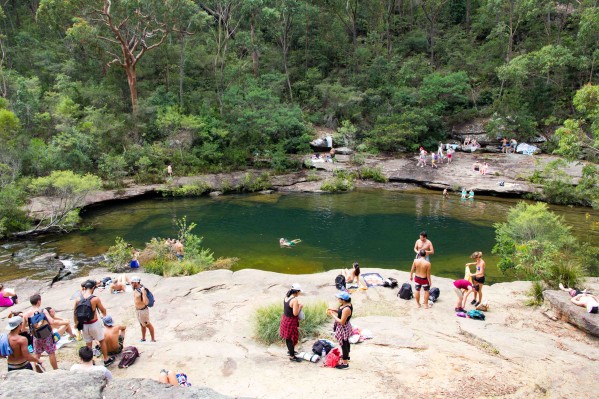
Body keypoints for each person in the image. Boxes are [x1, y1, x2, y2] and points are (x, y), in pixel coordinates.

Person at [74, 280, 115, 367]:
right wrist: (104, 317)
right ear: (93, 288)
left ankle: (90, 361)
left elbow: (75, 312)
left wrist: (76, 323)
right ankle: (106, 359)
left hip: (84, 325)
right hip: (94, 323)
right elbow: (103, 310)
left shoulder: (78, 299)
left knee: (88, 343)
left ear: (84, 288)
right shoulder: (95, 299)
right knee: (101, 341)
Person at [24, 294, 59, 370]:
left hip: (36, 336)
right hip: (47, 336)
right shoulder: (43, 311)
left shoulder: (26, 314)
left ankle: (37, 370)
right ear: (38, 301)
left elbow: (23, 328)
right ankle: (56, 370)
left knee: (37, 354)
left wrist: (32, 329)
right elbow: (52, 322)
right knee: (51, 353)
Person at [327, 291, 353, 369]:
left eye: (339, 298)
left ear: (343, 300)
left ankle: (345, 364)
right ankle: (346, 356)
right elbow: (340, 311)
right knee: (346, 341)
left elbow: (342, 322)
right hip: (345, 326)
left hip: (343, 327)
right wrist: (333, 310)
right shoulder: (346, 305)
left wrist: (332, 315)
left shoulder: (346, 309)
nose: (338, 299)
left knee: (343, 344)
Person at [279, 283, 303, 362]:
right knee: (291, 338)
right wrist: (300, 307)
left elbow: (288, 308)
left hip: (285, 319)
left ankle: (290, 351)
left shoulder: (287, 297)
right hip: (290, 321)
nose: (300, 293)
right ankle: (292, 357)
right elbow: (295, 313)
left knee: (288, 337)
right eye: (299, 292)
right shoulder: (294, 300)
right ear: (296, 292)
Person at [131, 276, 156, 342]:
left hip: (143, 311)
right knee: (142, 325)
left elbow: (146, 302)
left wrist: (143, 293)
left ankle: (153, 339)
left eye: (132, 282)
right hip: (138, 310)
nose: (131, 284)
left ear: (136, 282)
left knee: (147, 324)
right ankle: (143, 338)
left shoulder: (142, 290)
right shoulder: (135, 288)